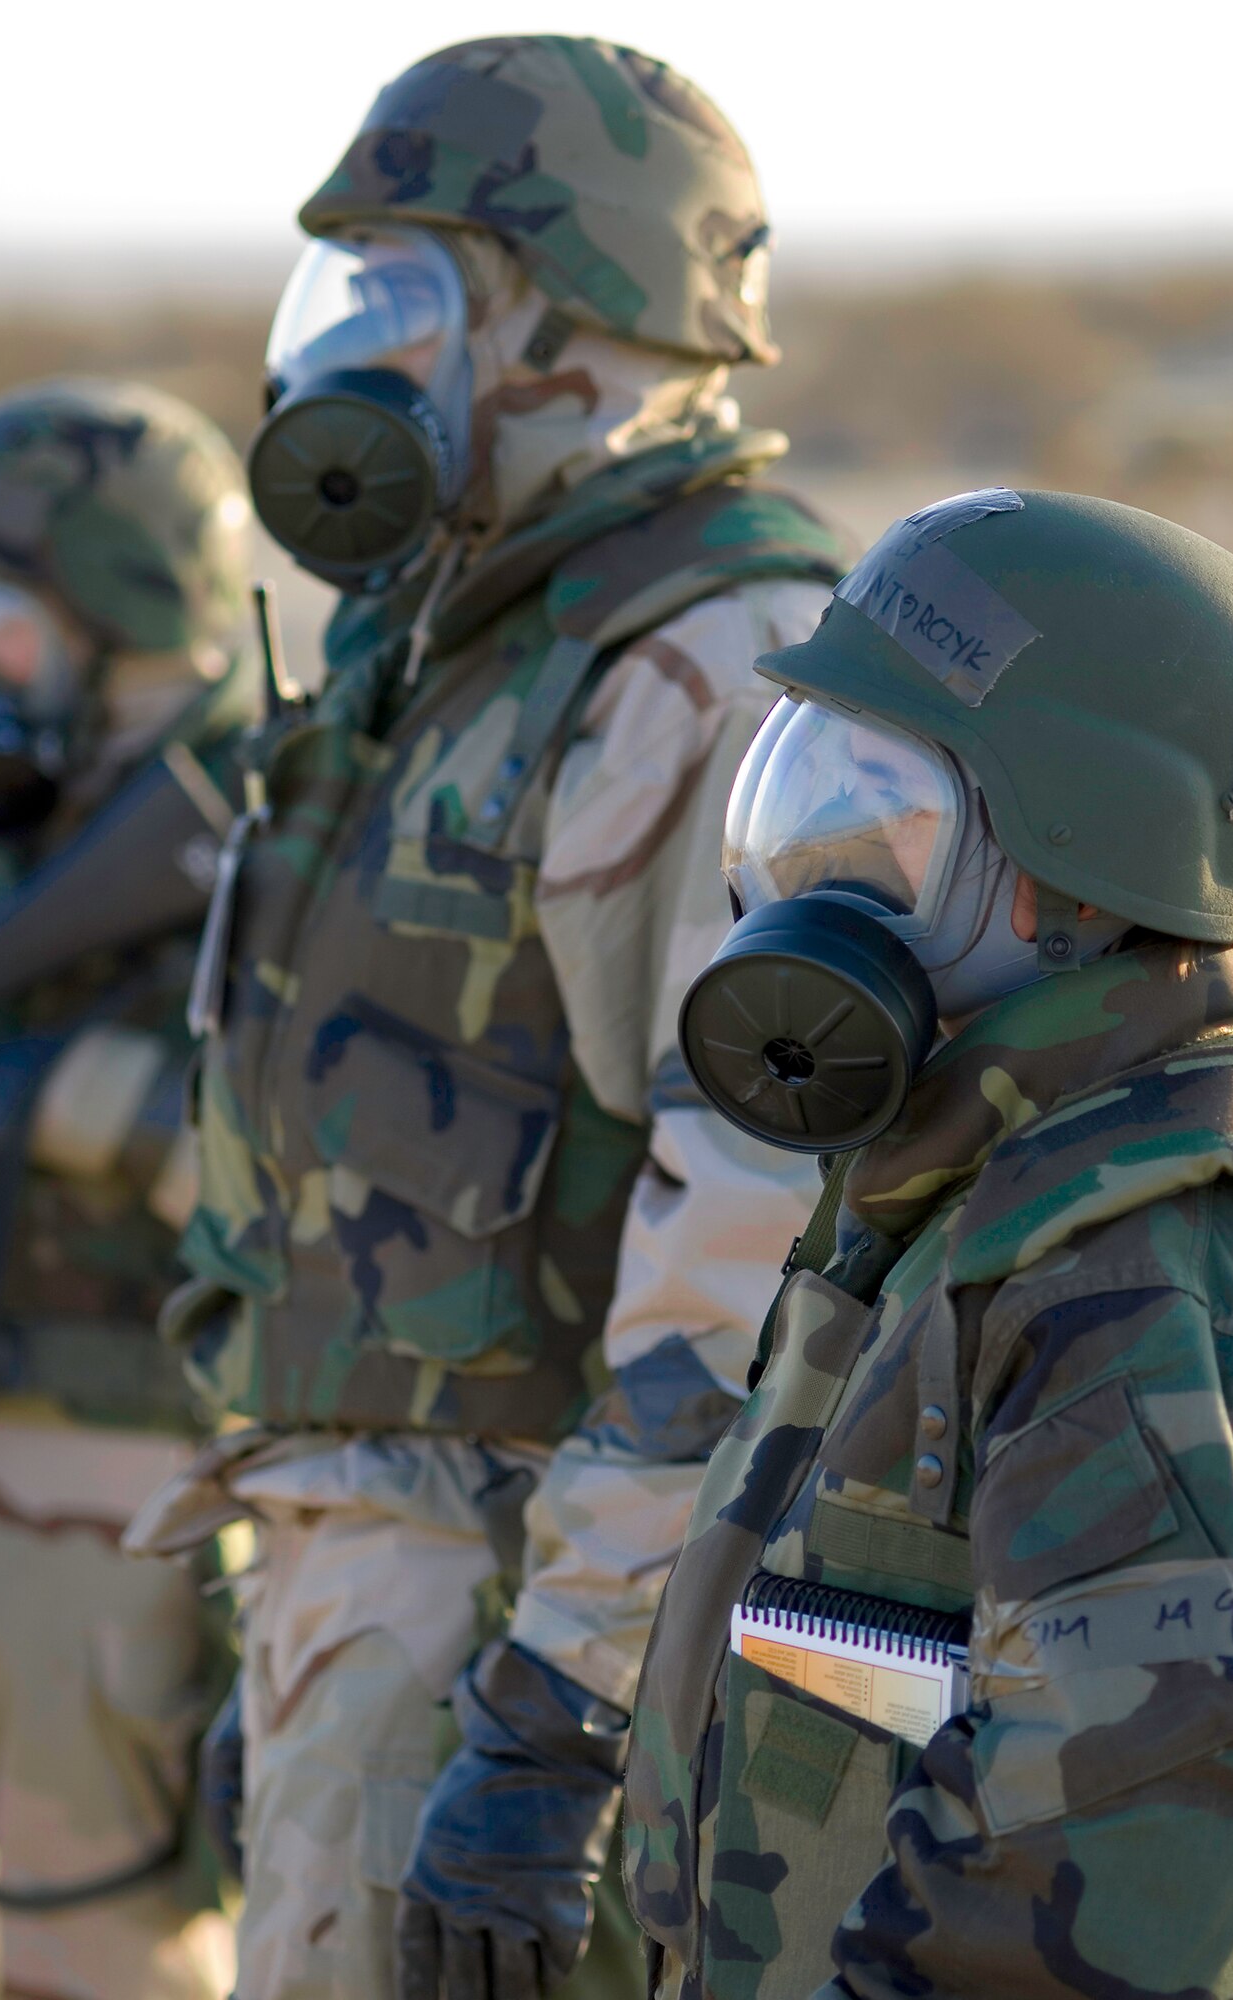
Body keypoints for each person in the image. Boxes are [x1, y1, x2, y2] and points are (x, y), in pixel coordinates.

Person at [122, 34, 852, 2000]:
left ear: (576, 322)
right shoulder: (453, 642)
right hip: (390, 1587)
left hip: (532, 1610)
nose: (348, 351)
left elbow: (752, 1262)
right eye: (342, 292)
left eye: (408, 294)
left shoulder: (703, 664)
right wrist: (311, 1629)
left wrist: (557, 1719)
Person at [623, 485, 1233, 1999]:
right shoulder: (952, 1183)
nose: (806, 876)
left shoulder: (1130, 1249)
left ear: (1071, 872)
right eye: (804, 799)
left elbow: (1142, 1843)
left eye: (884, 821)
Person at [0, 377, 254, 2000]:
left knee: (94, 1960)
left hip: (103, 1491)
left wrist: (74, 1105)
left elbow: (311, 1188)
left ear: (128, 625)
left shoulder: (264, 849)